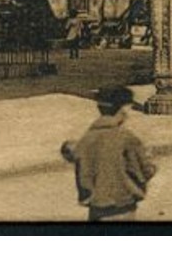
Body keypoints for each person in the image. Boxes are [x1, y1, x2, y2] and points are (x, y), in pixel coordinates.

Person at [60, 84, 157, 222]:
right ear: (122, 109)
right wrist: (150, 166)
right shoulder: (126, 138)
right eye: (129, 108)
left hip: (97, 209)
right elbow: (144, 171)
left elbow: (80, 167)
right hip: (123, 206)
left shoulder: (87, 138)